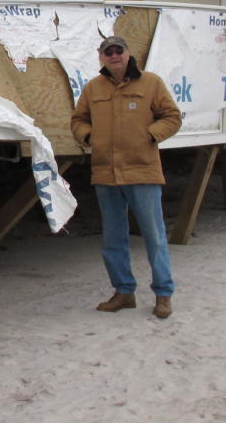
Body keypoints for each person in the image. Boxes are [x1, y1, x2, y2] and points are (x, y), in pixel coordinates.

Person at [70, 35, 182, 319]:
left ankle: (163, 295)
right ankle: (123, 292)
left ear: (128, 54)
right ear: (101, 57)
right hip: (106, 173)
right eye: (108, 52)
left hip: (142, 171)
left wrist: (149, 135)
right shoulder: (92, 87)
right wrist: (89, 136)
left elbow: (172, 117)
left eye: (119, 50)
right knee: (113, 238)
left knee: (154, 236)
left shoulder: (151, 83)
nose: (114, 55)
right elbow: (78, 120)